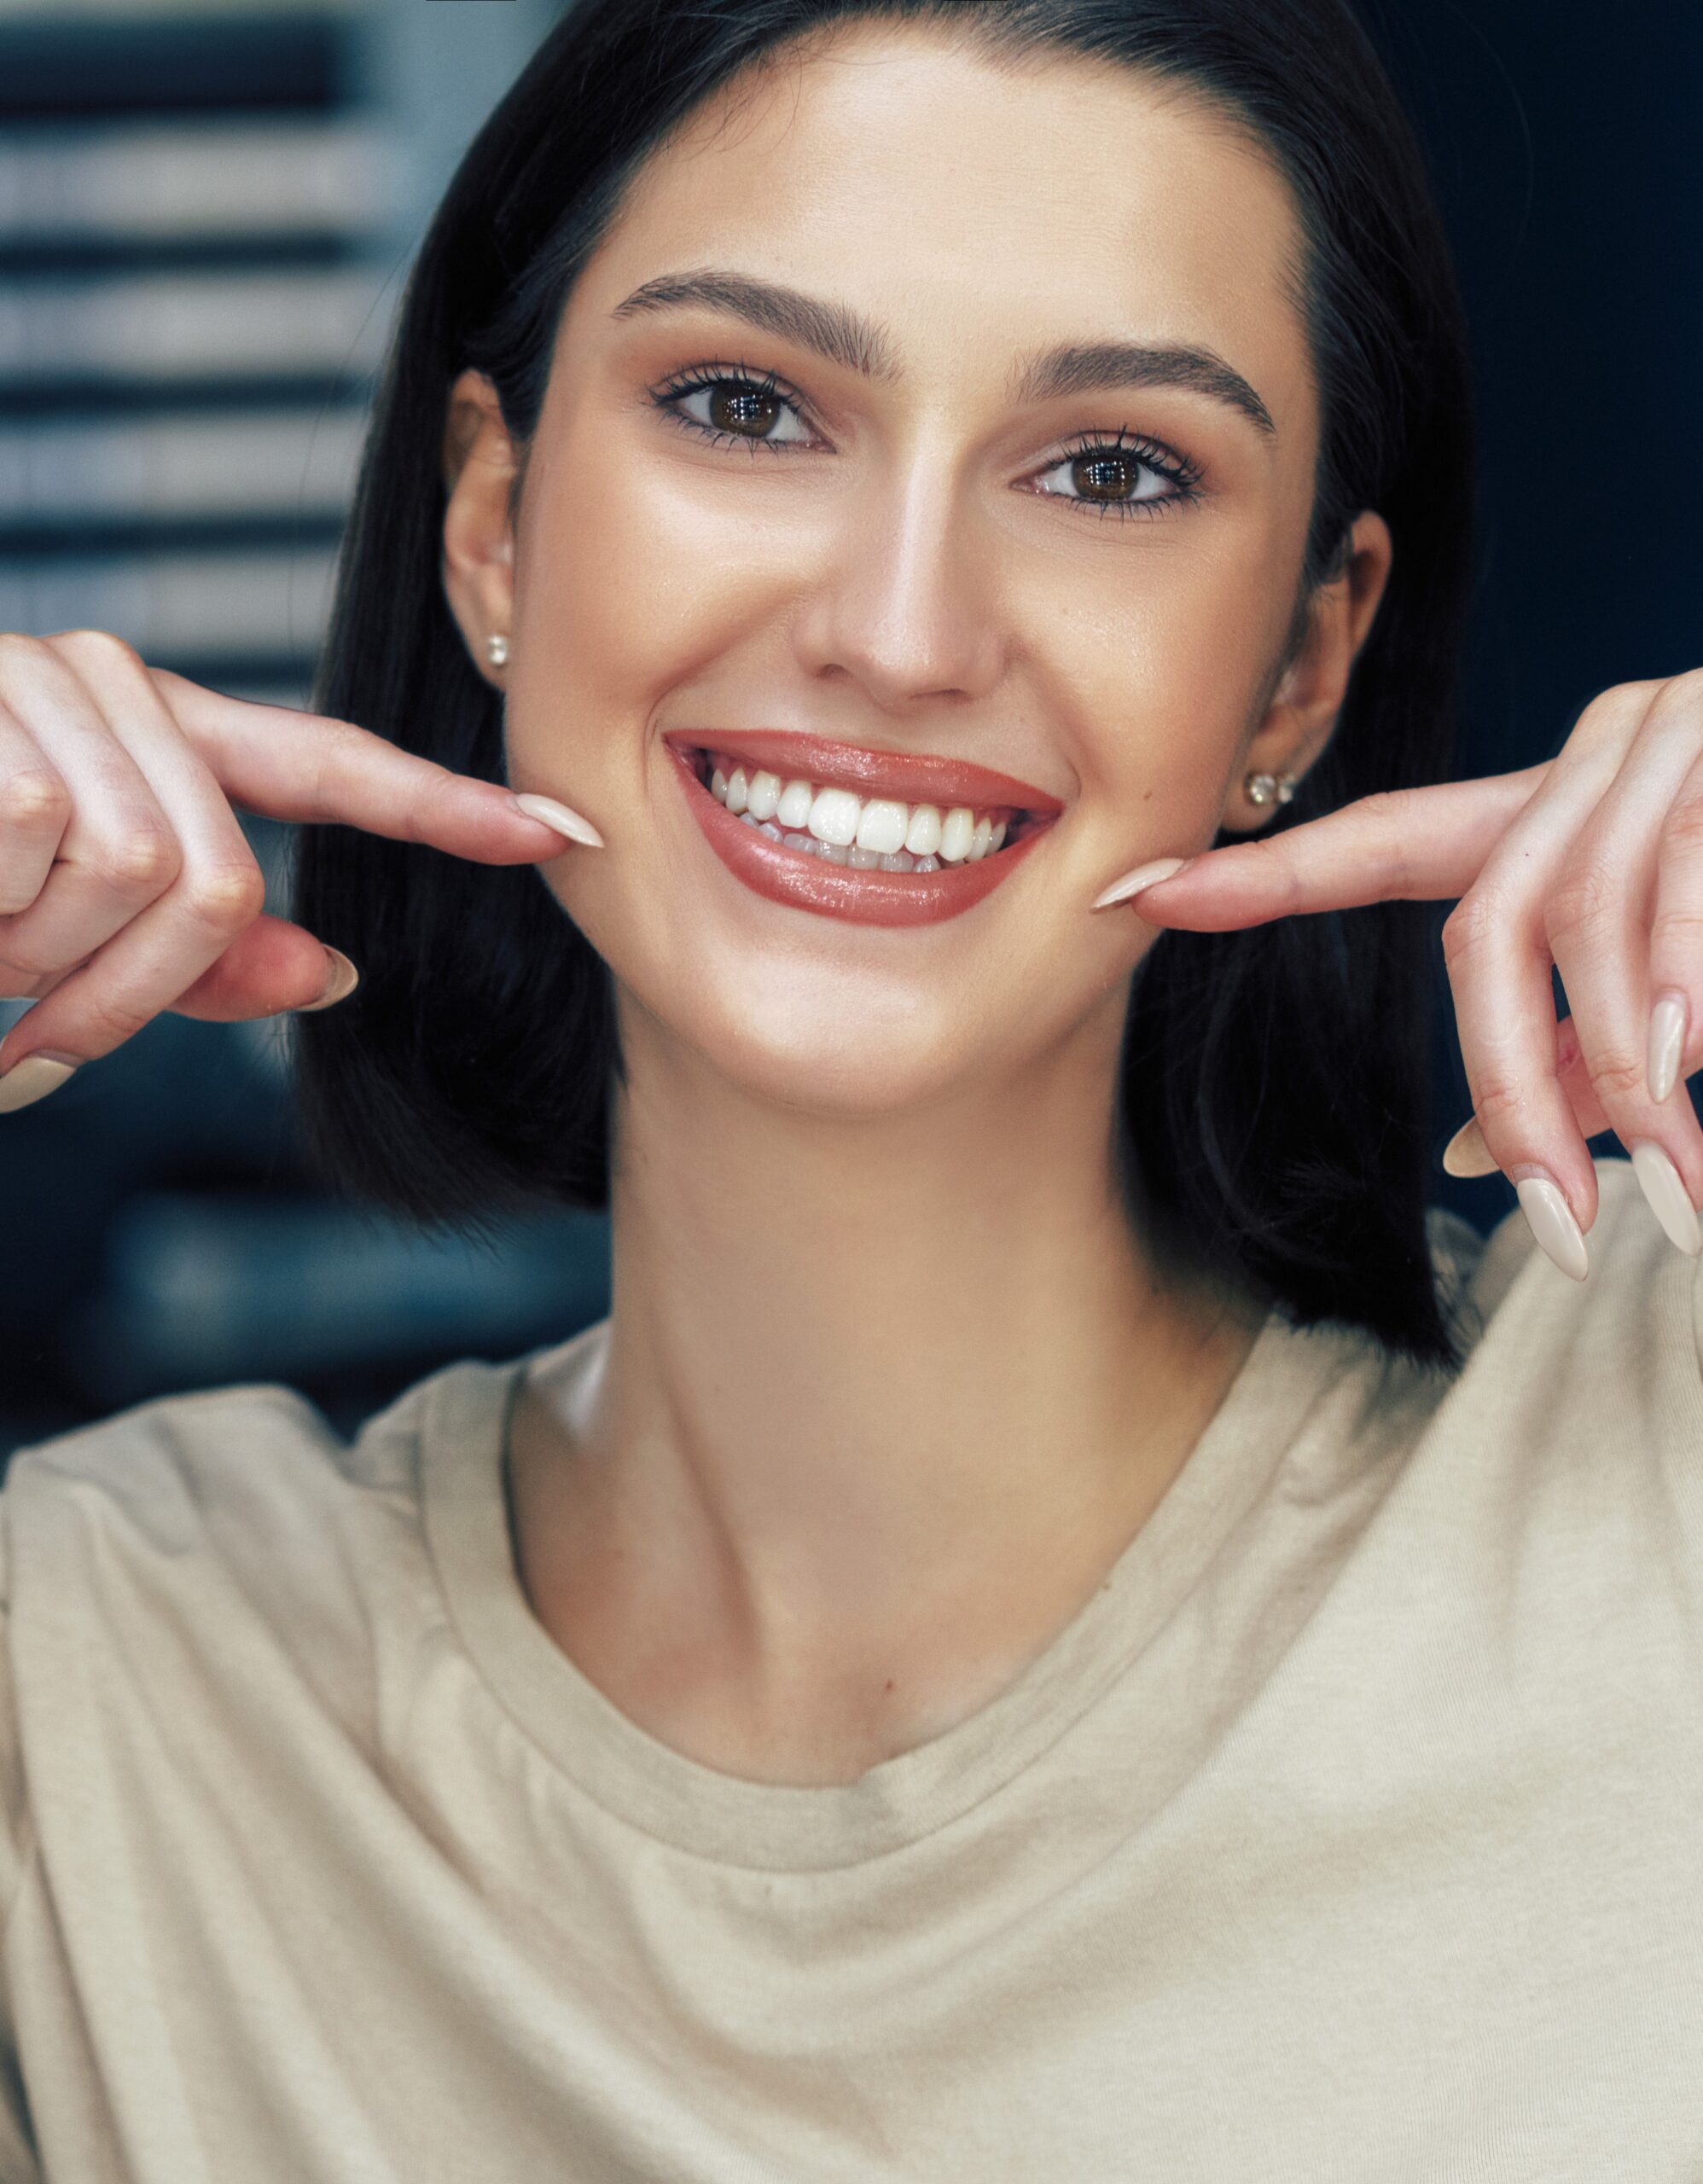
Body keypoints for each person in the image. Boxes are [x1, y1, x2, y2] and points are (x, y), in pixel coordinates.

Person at [0, 0, 1699, 2174]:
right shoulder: (109, 1685)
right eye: (744, 405)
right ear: (495, 521)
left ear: (1301, 653)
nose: (902, 631)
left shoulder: (1643, 1452)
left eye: (1109, 469)